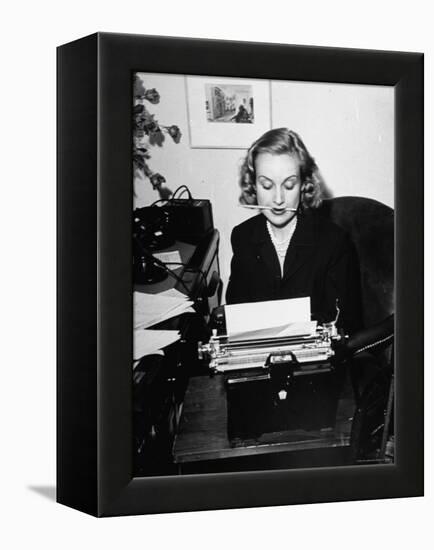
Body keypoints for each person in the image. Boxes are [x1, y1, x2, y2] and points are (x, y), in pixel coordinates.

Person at [226, 128, 362, 335]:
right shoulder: (242, 237)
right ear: (253, 185)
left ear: (304, 185)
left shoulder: (334, 242)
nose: (278, 199)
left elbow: (346, 324)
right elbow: (236, 316)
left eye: (289, 185)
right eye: (266, 185)